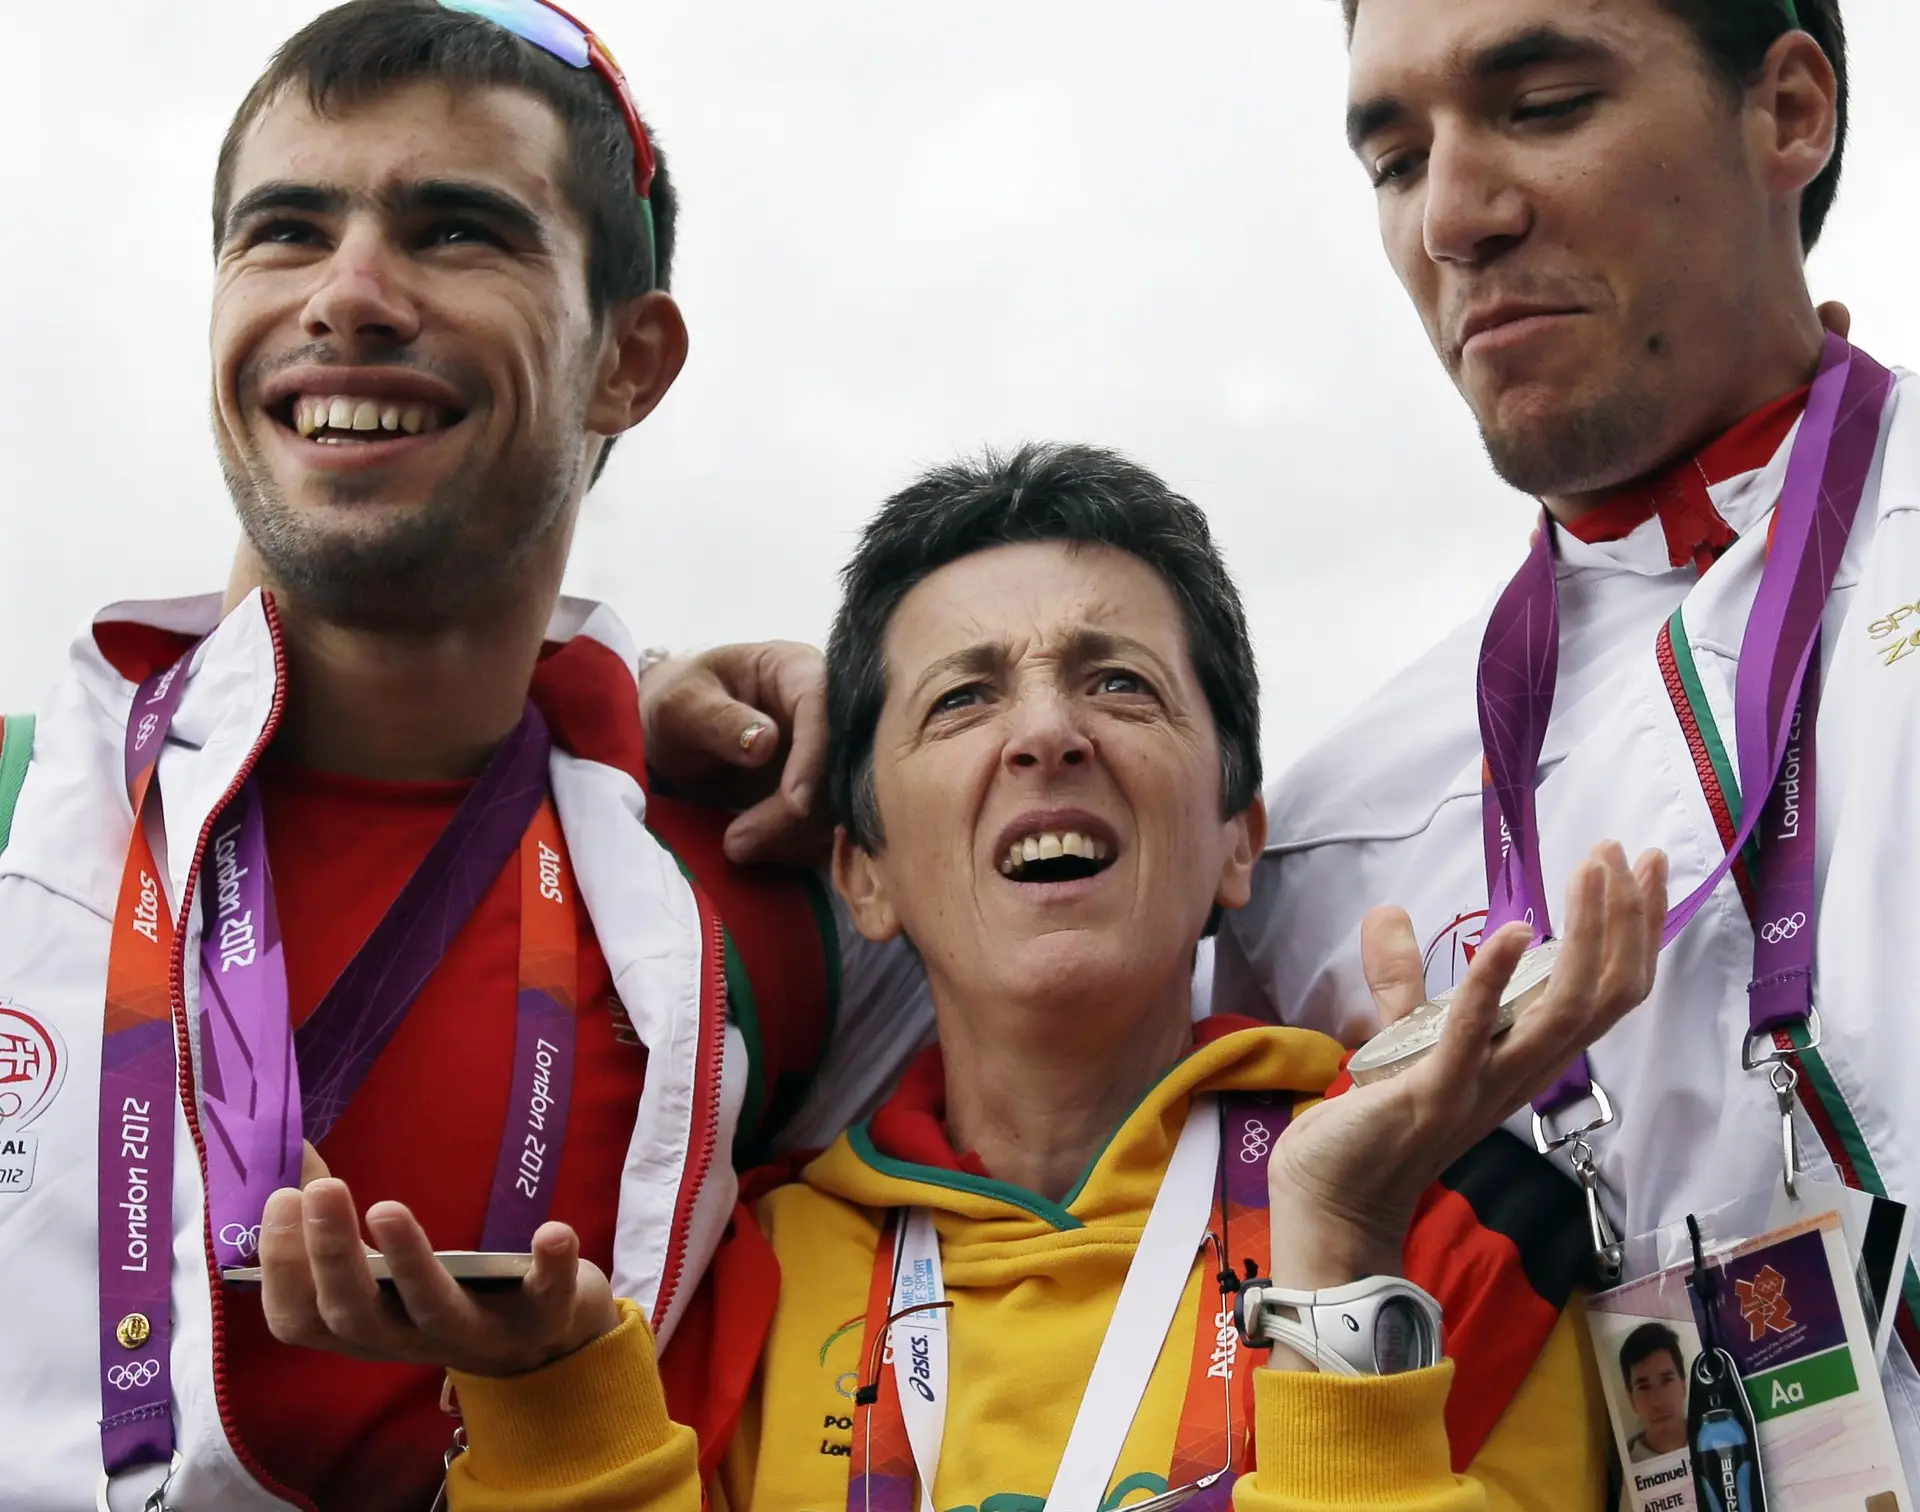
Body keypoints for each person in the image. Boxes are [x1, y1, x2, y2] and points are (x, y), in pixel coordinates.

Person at [257, 443, 1665, 1510]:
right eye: (962, 698)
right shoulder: (735, 1271)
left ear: (1241, 839)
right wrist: (554, 1409)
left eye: (1120, 684)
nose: (1047, 732)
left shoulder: (1460, 1233)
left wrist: (1345, 1248)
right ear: (861, 872)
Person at [0, 2, 931, 1507]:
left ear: (629, 361)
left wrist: (909, 728)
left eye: (456, 233)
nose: (350, 296)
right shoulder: (17, 818)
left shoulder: (768, 897)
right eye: (286, 231)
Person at [1201, 0, 1920, 1480]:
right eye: (1396, 161)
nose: (1453, 218)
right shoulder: (1332, 836)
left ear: (1788, 112)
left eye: (1540, 104)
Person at [1618, 1324, 1690, 1462]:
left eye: (1667, 1380)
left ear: (1683, 1386)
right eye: (1644, 1387)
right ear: (1631, 1400)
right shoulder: (1620, 1470)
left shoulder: (1721, 1441)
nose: (1658, 1401)